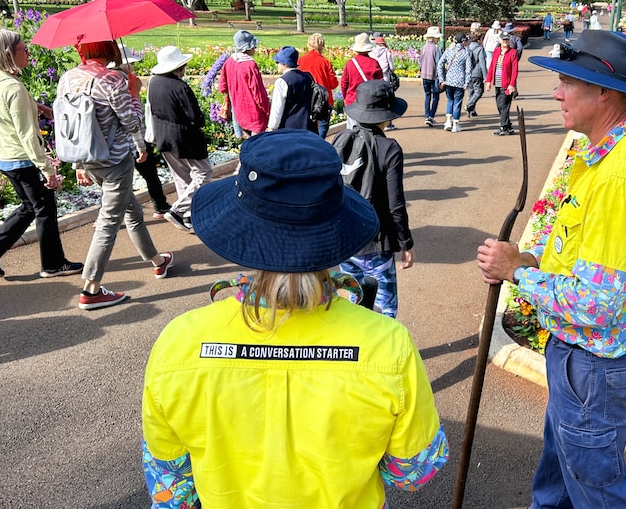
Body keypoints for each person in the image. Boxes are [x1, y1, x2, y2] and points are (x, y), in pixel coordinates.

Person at [142, 129, 448, 508]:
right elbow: (413, 472)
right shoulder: (387, 344)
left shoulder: (180, 342)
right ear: (335, 227)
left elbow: (171, 487)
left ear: (240, 227)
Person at [477, 30, 626, 509]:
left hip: (593, 363)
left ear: (604, 92)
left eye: (568, 81)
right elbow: (580, 254)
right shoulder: (607, 156)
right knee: (561, 474)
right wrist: (530, 260)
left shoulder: (621, 177)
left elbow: (595, 302)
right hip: (581, 361)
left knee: (595, 490)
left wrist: (516, 274)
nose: (556, 92)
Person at [57, 41, 173, 310]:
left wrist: (78, 165)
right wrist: (133, 92)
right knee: (109, 222)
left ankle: (157, 261)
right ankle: (91, 289)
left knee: (132, 211)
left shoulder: (67, 78)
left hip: (88, 157)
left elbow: (70, 123)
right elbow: (131, 121)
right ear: (110, 51)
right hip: (114, 160)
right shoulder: (112, 80)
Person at [0, 30, 83, 279]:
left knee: (30, 206)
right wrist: (48, 171)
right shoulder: (14, 88)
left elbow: (3, 104)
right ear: (8, 53)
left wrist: (36, 105)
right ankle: (53, 264)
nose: (28, 53)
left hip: (4, 157)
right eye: (23, 50)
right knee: (45, 208)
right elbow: (27, 136)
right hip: (22, 159)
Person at [333, 80, 414, 318]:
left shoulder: (340, 140)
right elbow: (395, 203)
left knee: (353, 302)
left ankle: (357, 348)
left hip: (345, 238)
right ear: (387, 116)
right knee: (385, 308)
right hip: (376, 240)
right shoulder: (389, 148)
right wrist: (406, 242)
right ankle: (381, 352)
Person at [148, 46, 213, 232]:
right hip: (185, 138)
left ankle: (188, 215)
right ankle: (177, 210)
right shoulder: (180, 86)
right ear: (179, 66)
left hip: (163, 136)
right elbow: (195, 117)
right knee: (203, 173)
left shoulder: (154, 82)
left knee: (182, 177)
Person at [109, 44, 172, 220]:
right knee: (150, 175)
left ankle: (107, 215)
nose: (134, 67)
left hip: (116, 143)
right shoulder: (124, 83)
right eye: (132, 63)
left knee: (117, 182)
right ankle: (160, 206)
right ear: (124, 64)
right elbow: (132, 119)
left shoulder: (107, 81)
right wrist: (141, 145)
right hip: (134, 141)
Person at [218, 30, 270, 137]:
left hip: (238, 111)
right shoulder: (250, 65)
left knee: (244, 144)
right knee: (257, 145)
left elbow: (222, 87)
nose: (255, 48)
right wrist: (268, 111)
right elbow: (258, 94)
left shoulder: (229, 62)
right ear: (248, 48)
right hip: (254, 114)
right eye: (254, 46)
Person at [297, 32, 339, 138]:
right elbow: (333, 84)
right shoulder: (325, 62)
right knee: (323, 127)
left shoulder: (301, 60)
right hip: (324, 99)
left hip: (307, 98)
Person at [339, 33, 383, 129]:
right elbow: (379, 84)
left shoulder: (350, 64)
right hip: (369, 102)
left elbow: (344, 84)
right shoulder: (374, 63)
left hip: (353, 101)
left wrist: (345, 98)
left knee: (352, 131)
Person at [267, 46, 315, 133]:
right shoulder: (308, 76)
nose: (277, 64)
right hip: (308, 126)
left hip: (288, 127)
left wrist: (271, 128)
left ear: (284, 64)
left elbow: (277, 108)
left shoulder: (282, 81)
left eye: (278, 62)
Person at [437, 32, 472, 133]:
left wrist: (442, 79)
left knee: (450, 101)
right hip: (460, 82)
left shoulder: (449, 50)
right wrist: (466, 83)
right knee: (457, 103)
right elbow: (468, 70)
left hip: (448, 81)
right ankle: (455, 124)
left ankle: (448, 121)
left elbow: (440, 64)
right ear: (462, 41)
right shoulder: (465, 52)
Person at [485, 31, 519, 136]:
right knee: (499, 105)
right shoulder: (496, 51)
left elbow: (515, 70)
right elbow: (492, 67)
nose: (505, 41)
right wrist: (488, 81)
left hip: (507, 84)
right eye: (503, 39)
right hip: (498, 83)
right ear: (500, 40)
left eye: (507, 39)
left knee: (504, 105)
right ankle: (508, 126)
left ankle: (503, 127)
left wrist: (512, 84)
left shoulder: (513, 52)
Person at [419, 26, 442, 127]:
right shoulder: (437, 49)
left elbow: (420, 62)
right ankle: (431, 116)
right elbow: (438, 63)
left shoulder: (423, 48)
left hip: (424, 75)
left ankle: (427, 115)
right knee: (436, 96)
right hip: (434, 75)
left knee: (427, 95)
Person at [465, 31, 486, 118]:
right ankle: (469, 105)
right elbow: (482, 63)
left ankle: (471, 111)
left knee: (471, 92)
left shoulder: (467, 47)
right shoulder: (479, 49)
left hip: (468, 72)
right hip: (477, 73)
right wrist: (485, 76)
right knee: (479, 91)